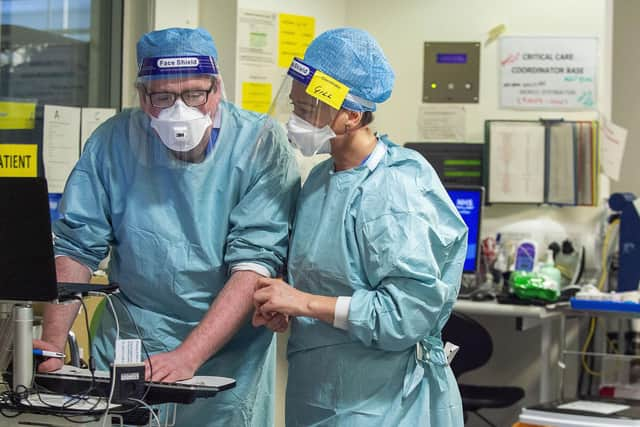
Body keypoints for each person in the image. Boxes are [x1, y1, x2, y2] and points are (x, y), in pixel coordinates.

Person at [35, 27, 300, 426]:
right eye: (164, 96)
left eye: (196, 93)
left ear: (218, 89)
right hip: (131, 342)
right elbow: (76, 246)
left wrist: (189, 355)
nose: (182, 109)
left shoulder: (259, 143)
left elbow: (254, 264)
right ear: (143, 97)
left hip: (227, 354)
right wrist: (52, 349)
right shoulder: (113, 141)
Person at [253, 28, 468, 426]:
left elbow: (406, 313)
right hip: (319, 395)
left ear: (352, 115)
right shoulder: (320, 180)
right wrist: (287, 309)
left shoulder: (395, 187)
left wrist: (302, 303)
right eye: (296, 107)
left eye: (310, 111)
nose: (297, 120)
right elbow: (325, 283)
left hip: (385, 404)